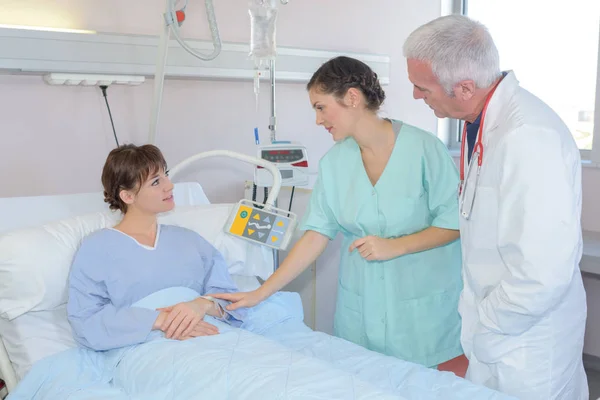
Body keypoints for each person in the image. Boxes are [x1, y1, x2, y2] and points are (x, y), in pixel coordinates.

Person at [214, 56, 465, 370]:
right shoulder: (334, 163)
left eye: (321, 107)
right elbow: (316, 234)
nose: (318, 120)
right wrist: (260, 292)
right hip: (361, 313)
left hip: (423, 316)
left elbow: (455, 223)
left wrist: (394, 246)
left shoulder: (425, 149)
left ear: (352, 98)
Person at [403, 14, 588, 399]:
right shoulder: (481, 123)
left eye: (422, 88)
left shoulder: (529, 137)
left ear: (465, 87)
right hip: (501, 336)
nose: (417, 97)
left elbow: (542, 275)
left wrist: (484, 325)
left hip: (527, 346)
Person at [67, 144, 245, 351]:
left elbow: (230, 299)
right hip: (147, 347)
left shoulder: (190, 240)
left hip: (215, 336)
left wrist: (202, 305)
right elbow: (86, 320)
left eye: (166, 175)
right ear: (128, 196)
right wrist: (159, 320)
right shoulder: (97, 247)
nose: (169, 186)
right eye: (156, 182)